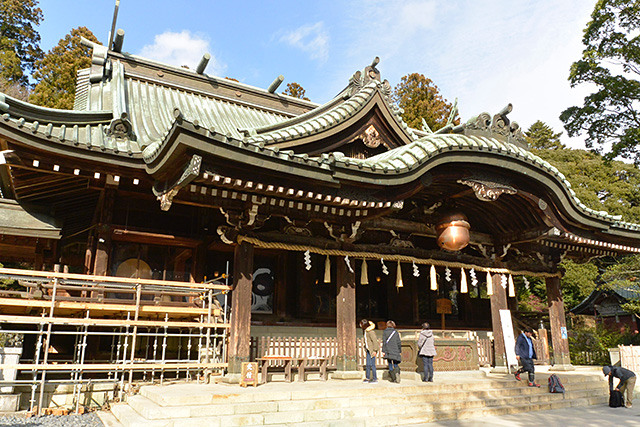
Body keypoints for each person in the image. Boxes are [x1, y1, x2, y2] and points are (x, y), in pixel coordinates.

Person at [360, 319, 379, 384]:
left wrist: (375, 350)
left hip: (372, 350)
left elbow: (375, 342)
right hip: (368, 350)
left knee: (372, 364)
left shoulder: (371, 332)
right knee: (368, 364)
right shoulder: (365, 331)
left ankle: (375, 378)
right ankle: (367, 378)